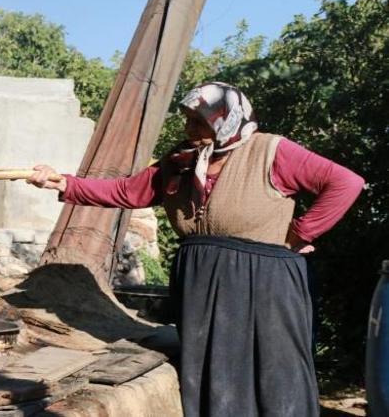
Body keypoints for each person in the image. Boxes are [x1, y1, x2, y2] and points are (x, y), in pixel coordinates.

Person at [27, 82, 364, 417]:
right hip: (202, 282)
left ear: (227, 121)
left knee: (274, 370)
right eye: (187, 119)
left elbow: (345, 183)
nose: (189, 128)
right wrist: (65, 183)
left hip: (264, 282)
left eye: (198, 121)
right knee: (213, 372)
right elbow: (127, 192)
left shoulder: (272, 151)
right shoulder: (181, 161)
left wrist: (302, 232)